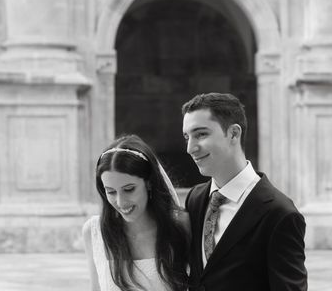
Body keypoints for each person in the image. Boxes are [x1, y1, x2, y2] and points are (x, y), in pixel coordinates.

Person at [182, 92, 308, 291]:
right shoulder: (195, 199)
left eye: (201, 134)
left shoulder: (280, 214)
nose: (190, 148)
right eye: (187, 137)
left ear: (233, 133)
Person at [83, 134, 190, 291]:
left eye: (129, 189)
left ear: (149, 183)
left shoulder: (180, 225)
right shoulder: (93, 231)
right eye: (111, 192)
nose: (120, 202)